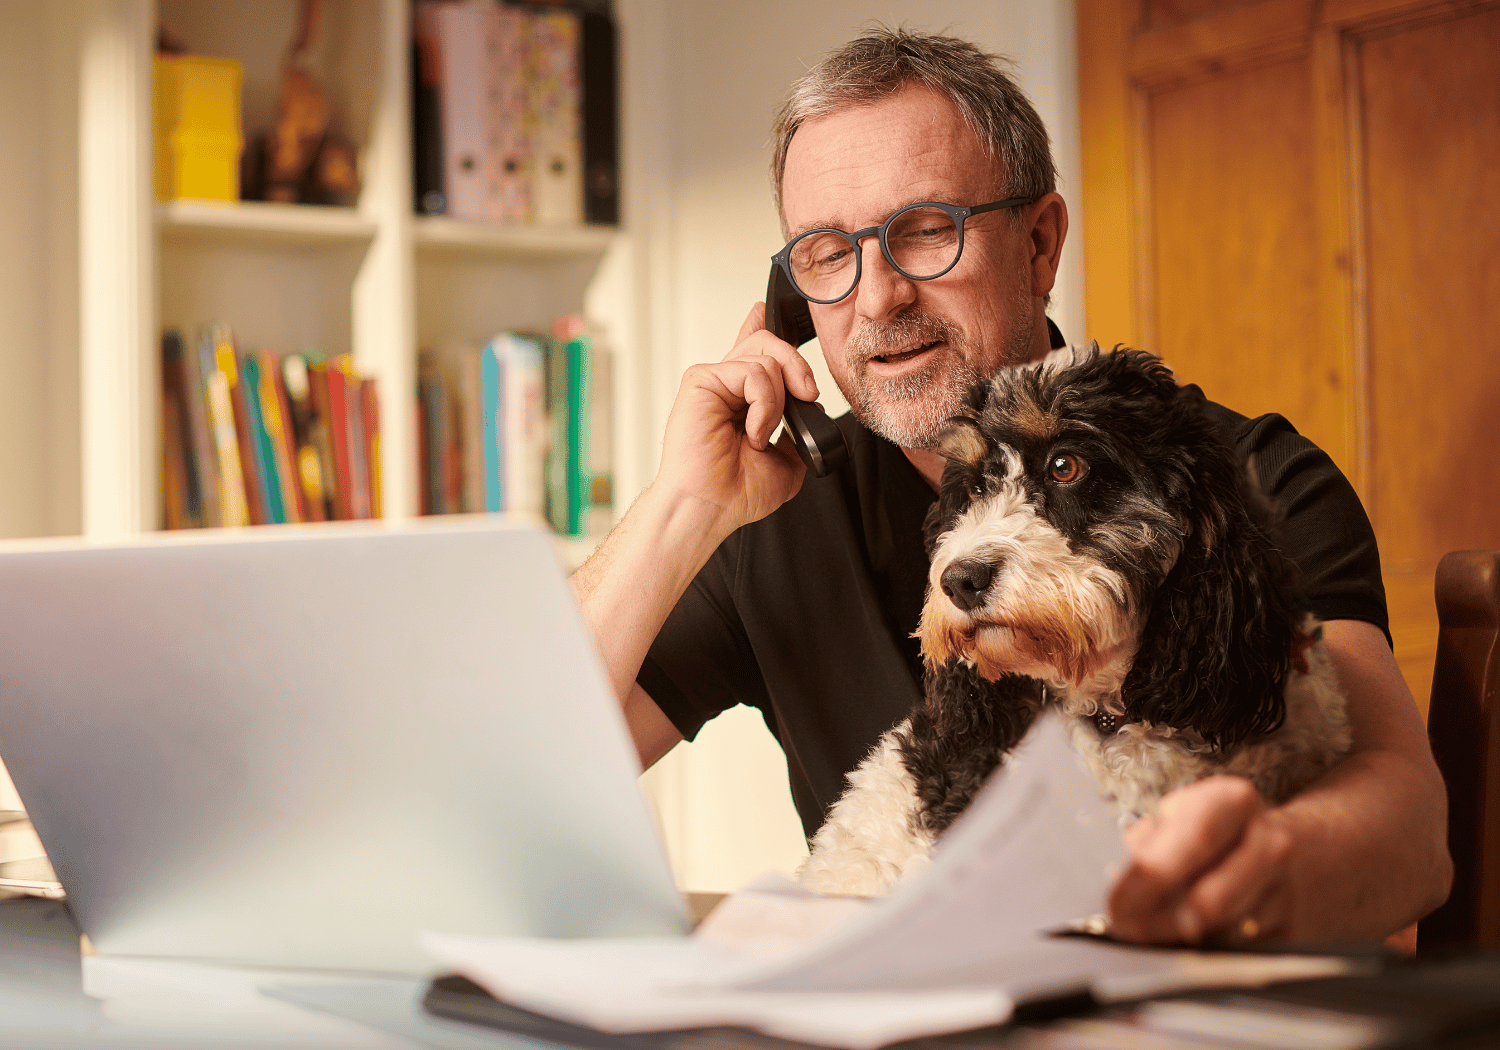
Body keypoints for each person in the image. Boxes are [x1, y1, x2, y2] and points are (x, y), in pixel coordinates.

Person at [572, 28, 1451, 947]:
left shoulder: (1245, 478)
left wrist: (1236, 879)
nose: (877, 298)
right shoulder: (770, 510)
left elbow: (1411, 833)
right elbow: (517, 772)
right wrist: (682, 507)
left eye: (925, 231)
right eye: (828, 254)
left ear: (1039, 244)